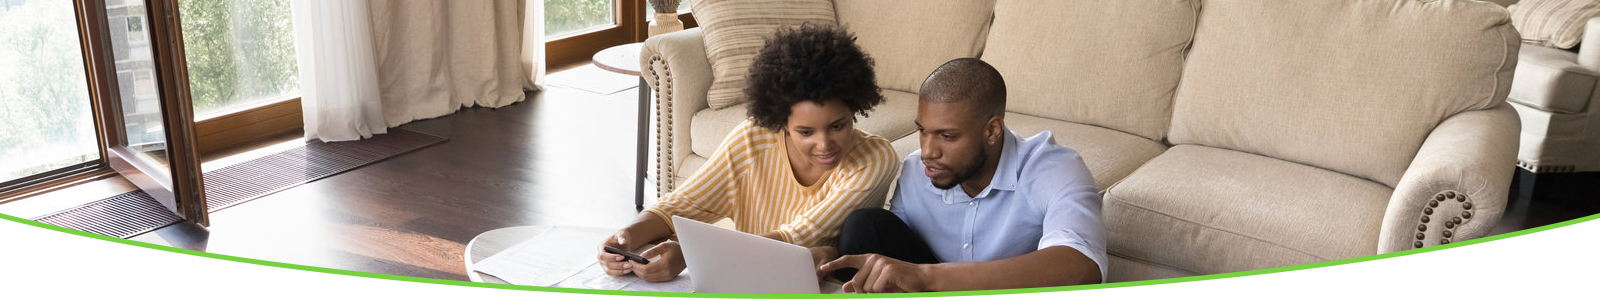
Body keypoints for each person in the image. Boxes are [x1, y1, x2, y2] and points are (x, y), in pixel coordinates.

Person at [598, 23, 900, 283]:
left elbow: (797, 237)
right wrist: (625, 236)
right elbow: (685, 202)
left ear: (855, 109)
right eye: (805, 132)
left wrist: (691, 256)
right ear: (781, 122)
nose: (824, 144)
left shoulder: (874, 160)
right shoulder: (753, 139)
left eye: (838, 126)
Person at [818, 58, 1107, 292]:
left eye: (947, 135)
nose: (928, 151)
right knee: (864, 226)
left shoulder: (1053, 168)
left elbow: (1081, 266)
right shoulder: (917, 170)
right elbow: (891, 255)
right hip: (934, 282)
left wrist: (929, 276)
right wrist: (832, 260)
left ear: (992, 130)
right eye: (922, 131)